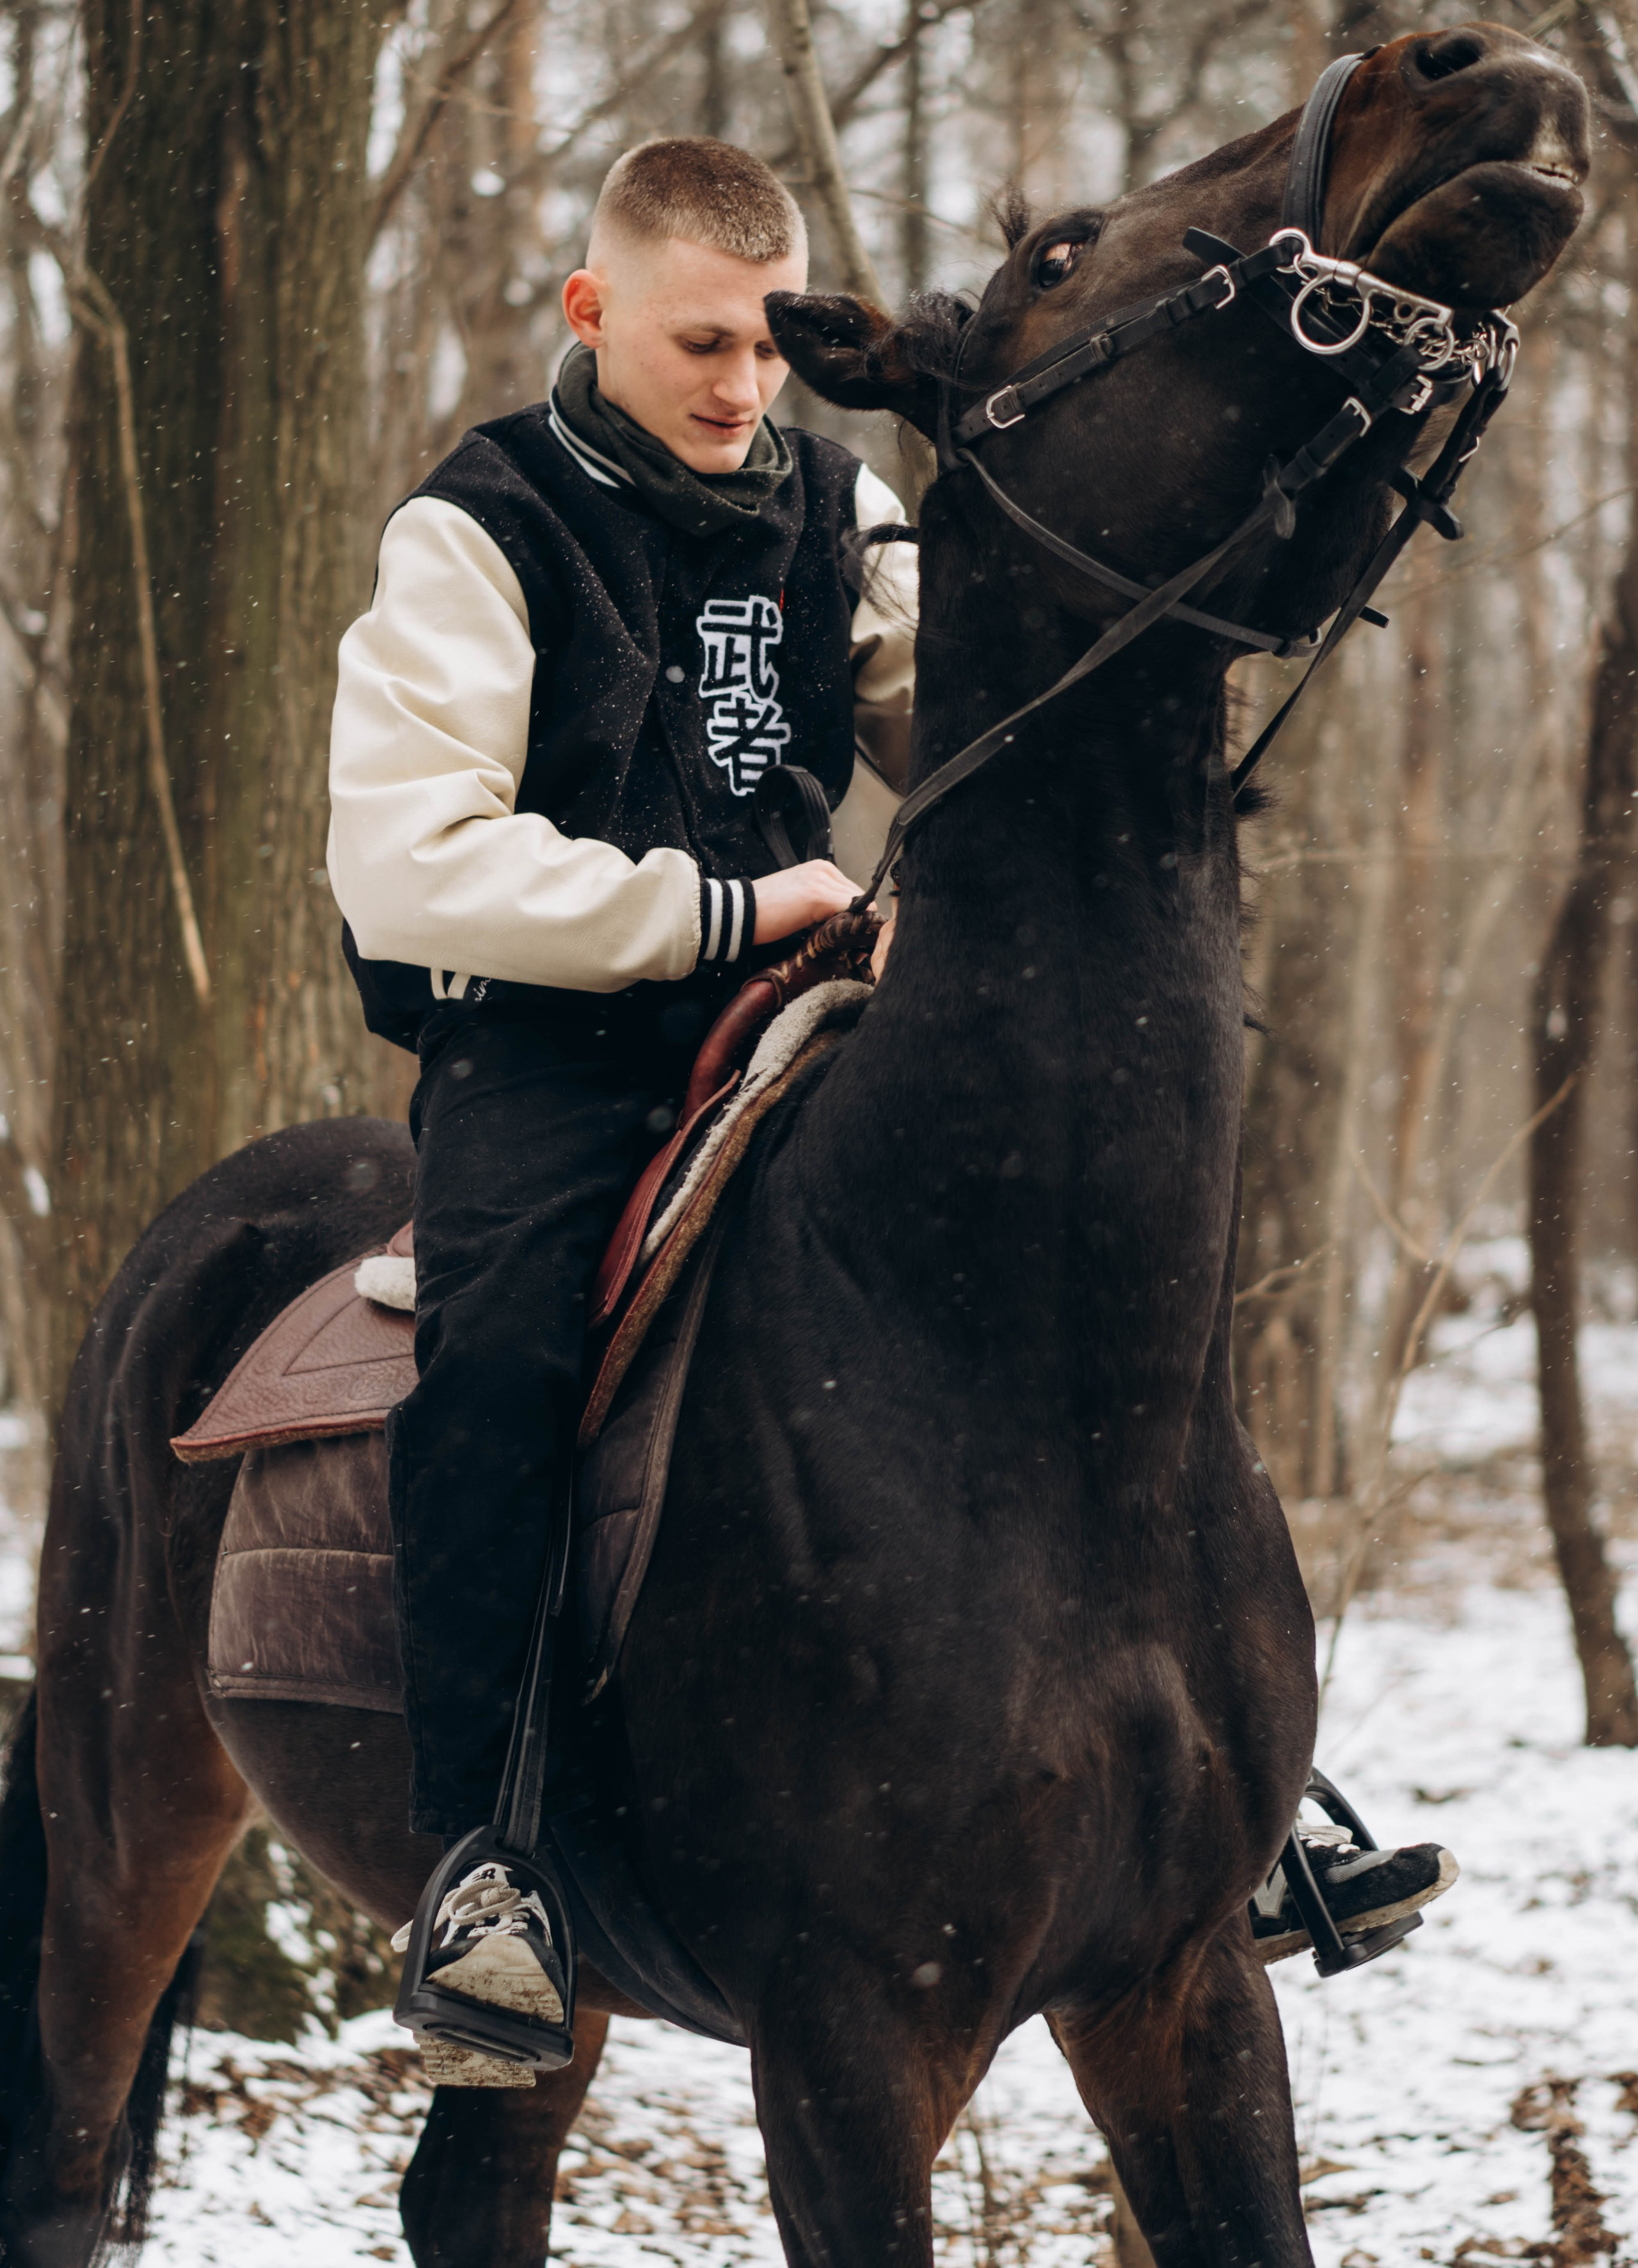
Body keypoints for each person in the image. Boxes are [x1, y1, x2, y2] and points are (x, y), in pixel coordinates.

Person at [326, 134, 1455, 2084]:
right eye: (698, 343)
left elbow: (971, 708)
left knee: (1079, 1259)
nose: (741, 384)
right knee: (500, 1350)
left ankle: (1225, 1791)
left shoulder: (835, 501)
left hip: (800, 1000)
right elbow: (409, 867)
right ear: (593, 312)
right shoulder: (481, 526)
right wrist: (704, 905)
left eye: (769, 347)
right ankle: (489, 1857)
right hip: (556, 1048)